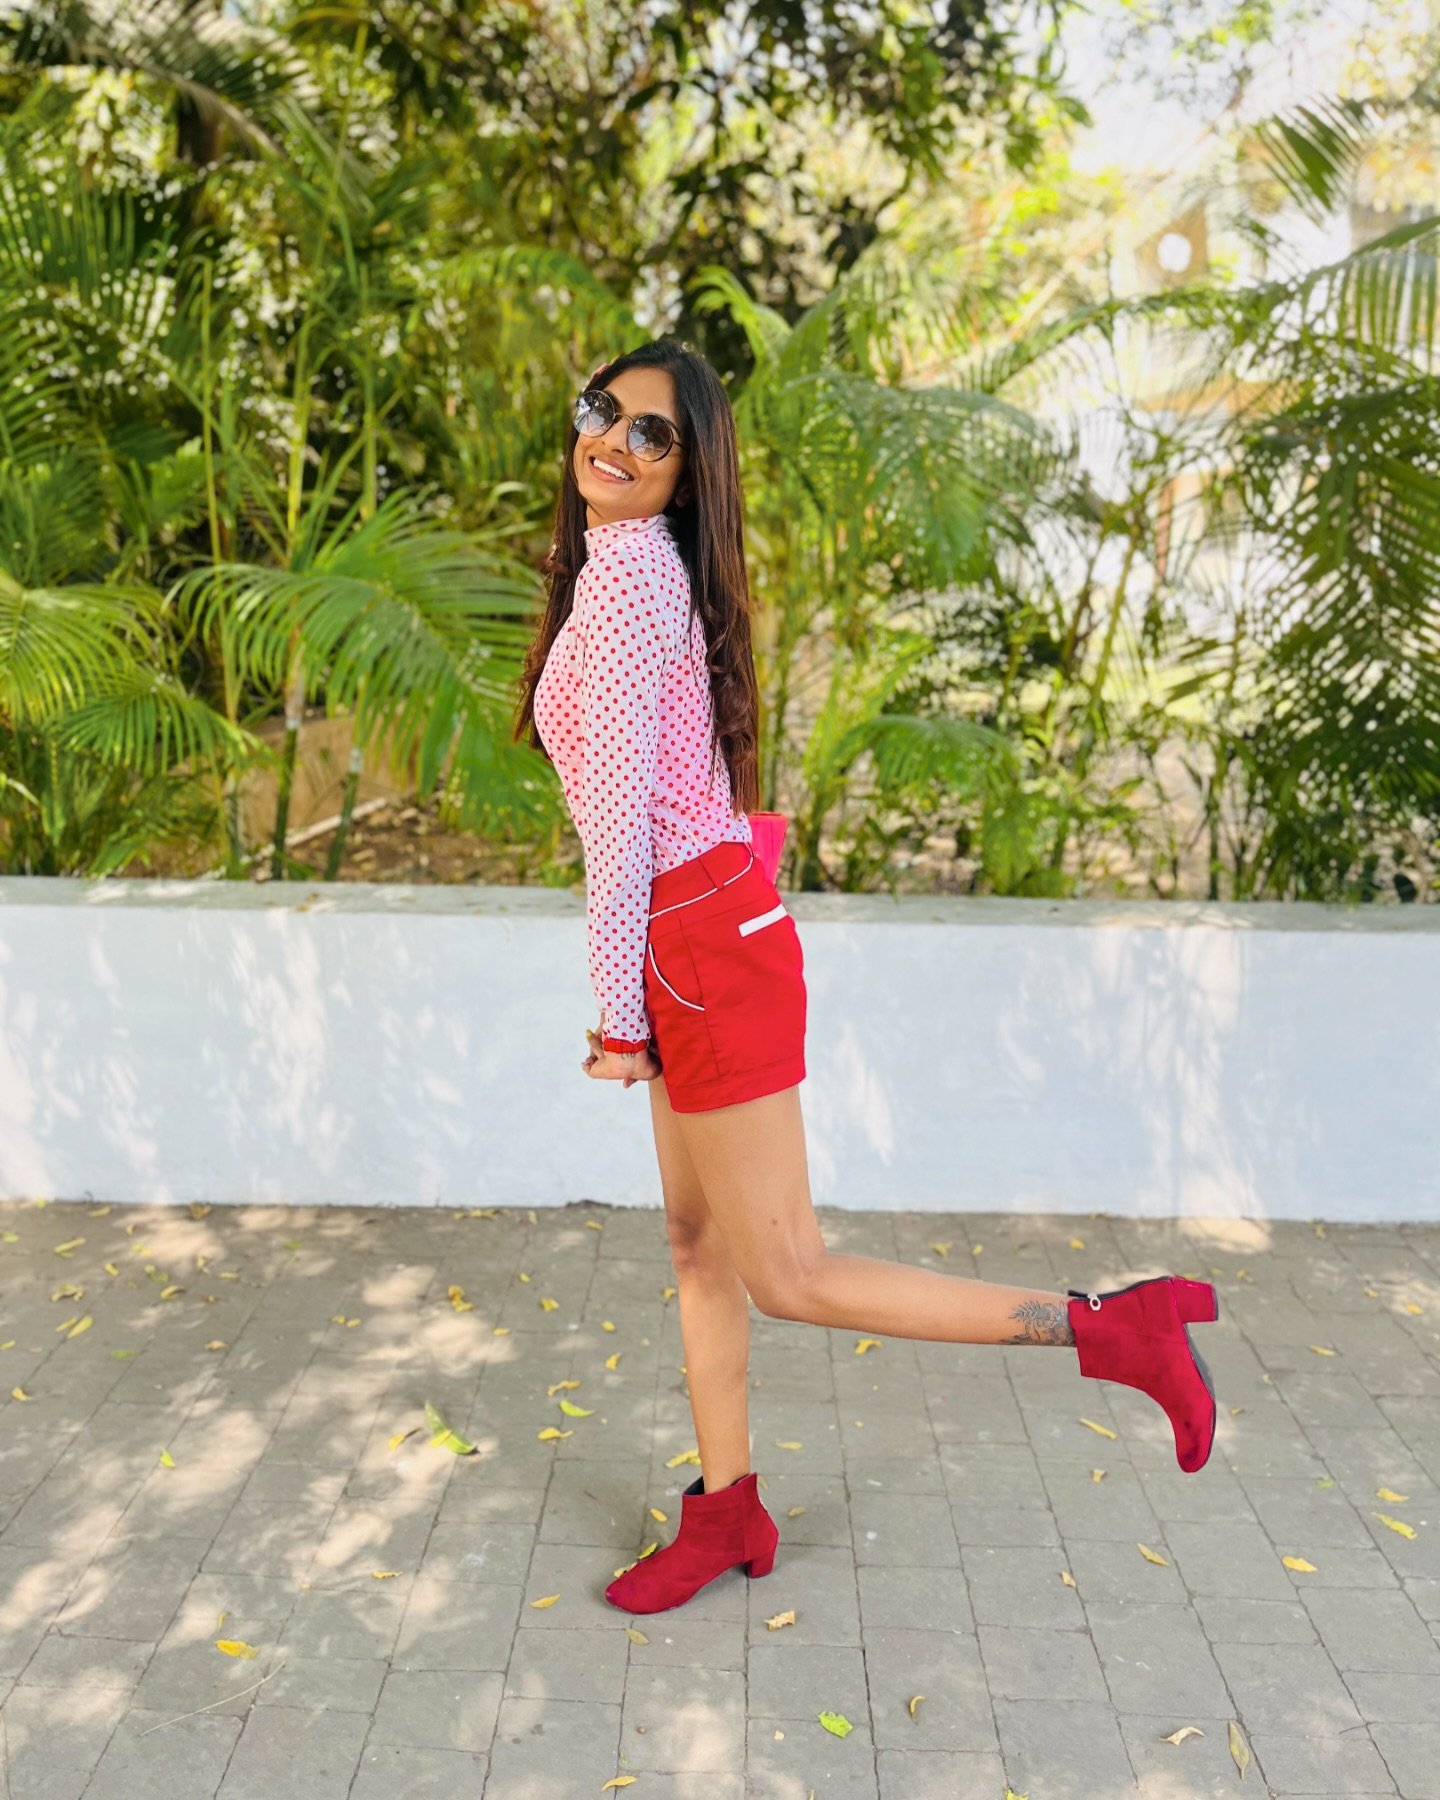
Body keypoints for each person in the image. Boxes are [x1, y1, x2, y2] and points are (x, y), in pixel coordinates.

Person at [513, 338, 1220, 1617]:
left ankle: (1112, 1330)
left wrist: (621, 1017)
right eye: (601, 410)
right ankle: (727, 1513)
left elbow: (619, 837)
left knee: (788, 1274)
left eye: (651, 432)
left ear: (688, 470)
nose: (611, 439)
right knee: (696, 1244)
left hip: (692, 946)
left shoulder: (623, 589)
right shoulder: (625, 567)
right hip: (707, 928)